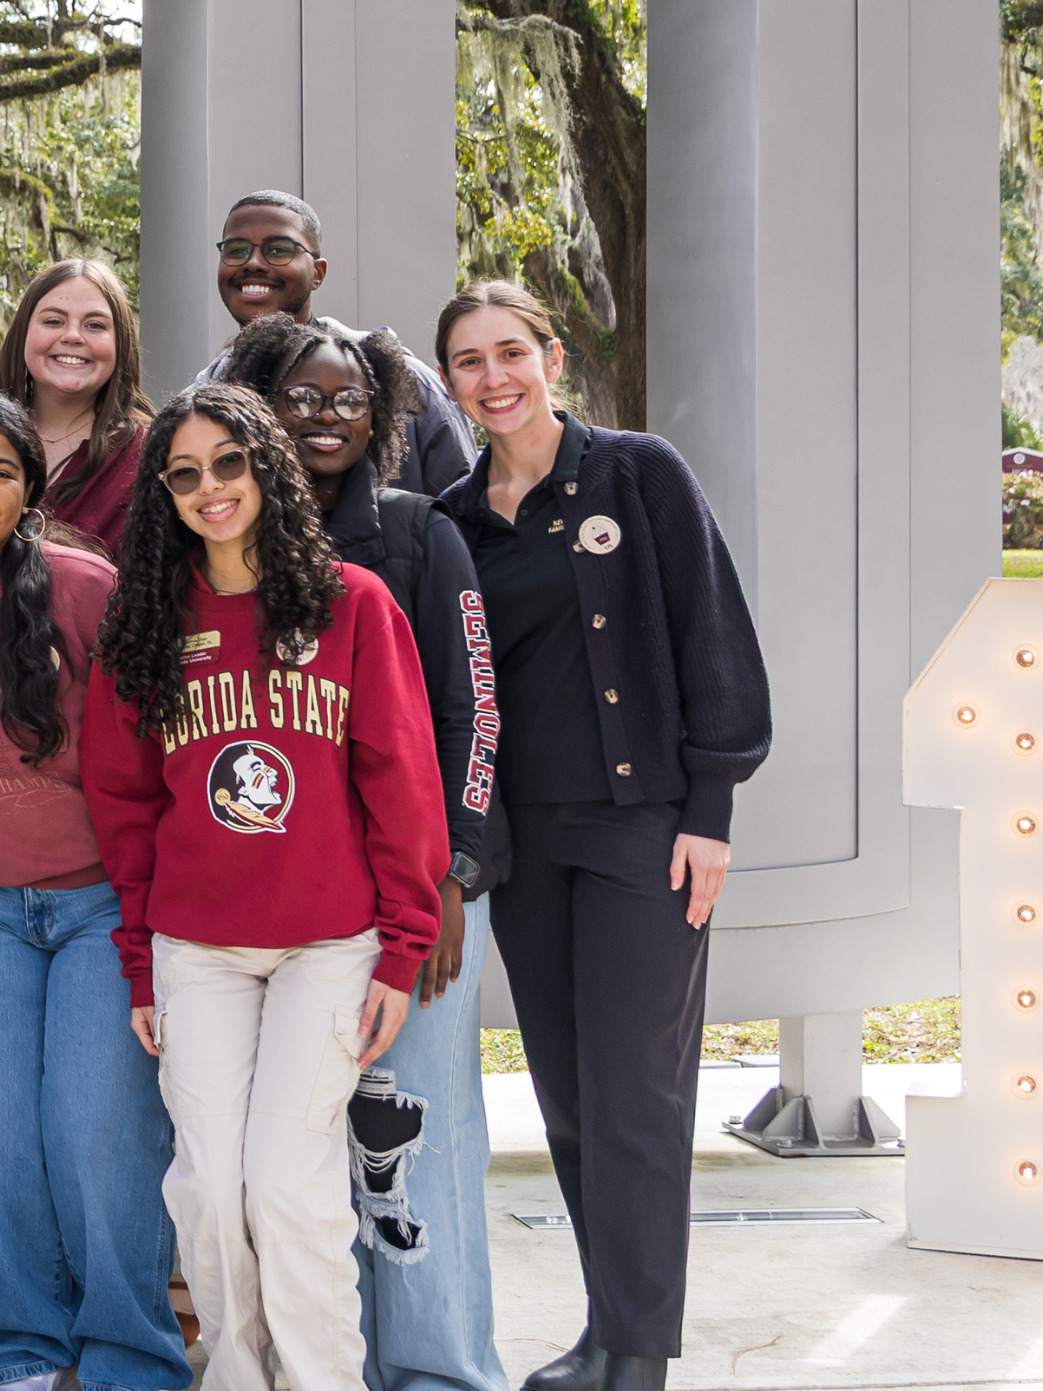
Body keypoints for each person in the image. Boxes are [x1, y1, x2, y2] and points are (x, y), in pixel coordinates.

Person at [429, 282, 769, 1391]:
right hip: (528, 848)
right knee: (569, 1097)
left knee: (637, 1096)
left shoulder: (638, 472)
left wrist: (707, 815)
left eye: (511, 352)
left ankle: (638, 1353)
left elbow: (711, 634)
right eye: (469, 362)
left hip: (641, 835)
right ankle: (602, 1324)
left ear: (552, 357)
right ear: (449, 383)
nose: (494, 377)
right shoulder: (455, 516)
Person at [82, 382, 447, 1391]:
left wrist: (402, 944)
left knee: (288, 1187)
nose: (210, 488)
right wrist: (140, 963)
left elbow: (401, 781)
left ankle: (324, 1379)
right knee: (205, 1186)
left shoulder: (351, 605)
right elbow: (121, 806)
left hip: (327, 944)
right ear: (163, 492)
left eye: (229, 463)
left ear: (267, 467)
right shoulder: (146, 623)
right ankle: (236, 1375)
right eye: (185, 472)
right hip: (197, 947)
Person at [0, 392, 189, 1391]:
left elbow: (166, 739)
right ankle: (17, 1344)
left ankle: (128, 1351)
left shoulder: (84, 587)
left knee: (98, 1127)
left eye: (0, 470)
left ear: (29, 489)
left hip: (100, 900)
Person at [217, 315, 504, 1391]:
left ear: (380, 416)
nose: (325, 414)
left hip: (412, 902)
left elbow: (473, 716)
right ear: (256, 406)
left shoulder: (422, 534)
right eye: (300, 395)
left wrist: (452, 872)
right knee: (288, 1157)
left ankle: (435, 1368)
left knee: (413, 1139)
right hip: (277, 909)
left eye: (347, 398)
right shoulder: (222, 542)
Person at [193, 191, 477, 501]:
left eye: (278, 250)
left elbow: (466, 510)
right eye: (237, 250)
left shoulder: (404, 383)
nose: (253, 263)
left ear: (318, 273)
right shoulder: (205, 395)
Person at [0, 260, 152, 554]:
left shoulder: (150, 454)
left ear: (120, 343)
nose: (72, 336)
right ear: (23, 333)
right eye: (53, 321)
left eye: (95, 325)